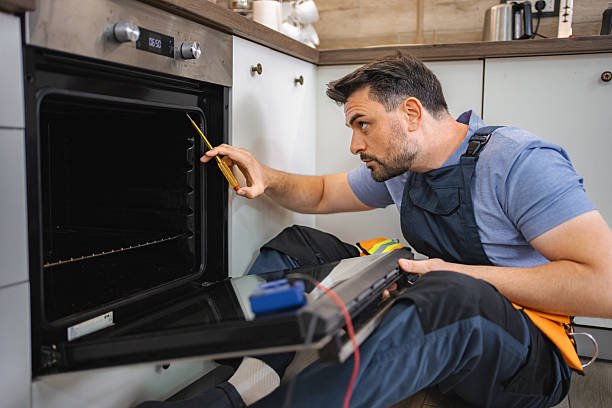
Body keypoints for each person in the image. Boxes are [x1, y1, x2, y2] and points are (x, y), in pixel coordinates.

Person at [145, 53, 612, 408]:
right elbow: (323, 195)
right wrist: (266, 176)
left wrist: (458, 274)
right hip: (439, 293)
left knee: (452, 294)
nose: (354, 144)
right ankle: (248, 383)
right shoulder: (402, 167)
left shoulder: (519, 162)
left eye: (362, 125)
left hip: (525, 356)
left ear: (411, 113)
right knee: (297, 246)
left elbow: (603, 286)